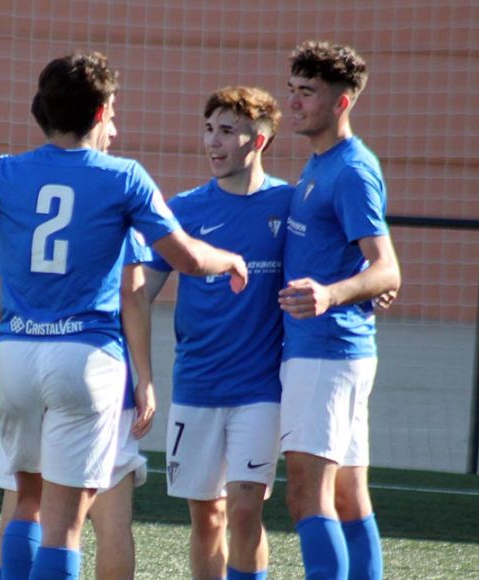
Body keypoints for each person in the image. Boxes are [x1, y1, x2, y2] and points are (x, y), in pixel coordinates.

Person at [0, 51, 247, 579]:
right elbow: (186, 259)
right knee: (65, 527)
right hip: (84, 358)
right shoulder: (124, 177)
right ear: (101, 113)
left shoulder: (3, 173)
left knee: (23, 501)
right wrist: (230, 260)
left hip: (16, 354)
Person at [144, 86, 292, 579]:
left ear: (260, 140)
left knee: (246, 508)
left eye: (227, 131)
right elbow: (139, 290)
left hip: (261, 389)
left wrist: (368, 289)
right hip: (197, 384)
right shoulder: (182, 210)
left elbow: (333, 260)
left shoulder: (289, 205)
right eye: (209, 129)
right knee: (206, 517)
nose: (213, 141)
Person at [278, 40, 401, 579]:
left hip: (326, 352)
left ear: (342, 102)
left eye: (307, 92)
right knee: (348, 498)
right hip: (335, 353)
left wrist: (331, 293)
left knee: (307, 498)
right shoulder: (319, 163)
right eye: (292, 90)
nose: (295, 103)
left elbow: (386, 269)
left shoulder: (352, 170)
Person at [0, 217, 153, 579]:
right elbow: (132, 292)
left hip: (22, 365)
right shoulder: (118, 189)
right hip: (92, 373)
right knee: (108, 522)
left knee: (20, 505)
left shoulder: (8, 191)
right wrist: (145, 377)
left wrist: (2, 379)